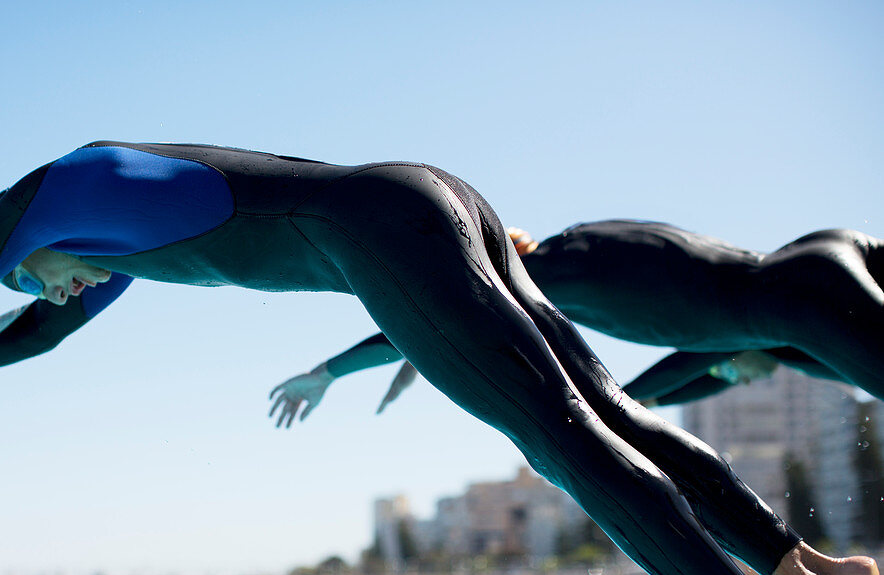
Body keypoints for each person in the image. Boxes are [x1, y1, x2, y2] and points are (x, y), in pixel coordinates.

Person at [0, 142, 879, 575]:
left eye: (40, 278)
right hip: (423, 197)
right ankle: (818, 574)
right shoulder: (109, 245)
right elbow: (27, 338)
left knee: (556, 438)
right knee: (604, 409)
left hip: (376, 234)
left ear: (20, 250)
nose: (63, 294)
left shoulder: (33, 205)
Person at [269, 221, 884, 422]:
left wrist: (328, 371)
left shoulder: (551, 268)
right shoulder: (742, 337)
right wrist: (415, 353)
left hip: (808, 296)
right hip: (819, 269)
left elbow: (443, 315)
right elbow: (653, 395)